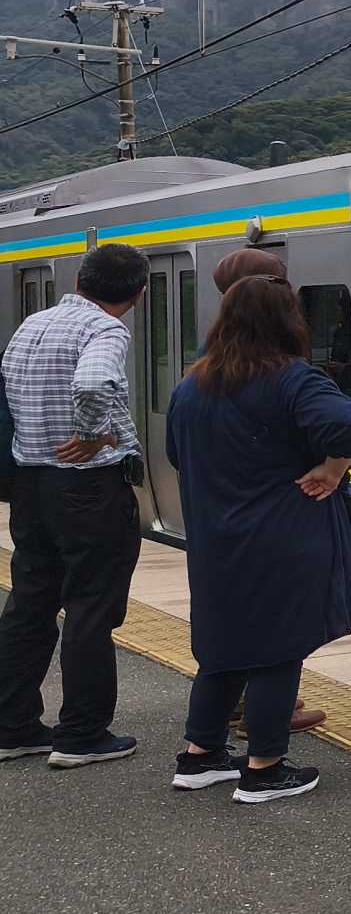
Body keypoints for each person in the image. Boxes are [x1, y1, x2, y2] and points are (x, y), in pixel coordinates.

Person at [168, 275, 351, 803]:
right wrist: (333, 469)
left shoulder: (191, 386)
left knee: (223, 648)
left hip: (215, 539)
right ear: (288, 321)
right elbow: (346, 428)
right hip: (282, 534)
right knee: (279, 649)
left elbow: (174, 454)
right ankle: (265, 768)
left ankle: (200, 755)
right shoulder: (293, 378)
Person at [0, 244, 149, 768]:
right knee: (91, 606)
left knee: (30, 601)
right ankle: (82, 733)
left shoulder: (32, 325)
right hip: (88, 489)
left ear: (80, 280)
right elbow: (93, 381)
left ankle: (12, 726)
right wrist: (92, 434)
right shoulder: (105, 329)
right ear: (138, 293)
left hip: (30, 486)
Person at [210, 247, 327, 737]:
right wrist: (333, 469)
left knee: (232, 620)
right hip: (272, 519)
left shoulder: (205, 372)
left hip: (220, 520)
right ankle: (264, 734)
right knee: (279, 628)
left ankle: (212, 737)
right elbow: (345, 427)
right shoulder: (284, 373)